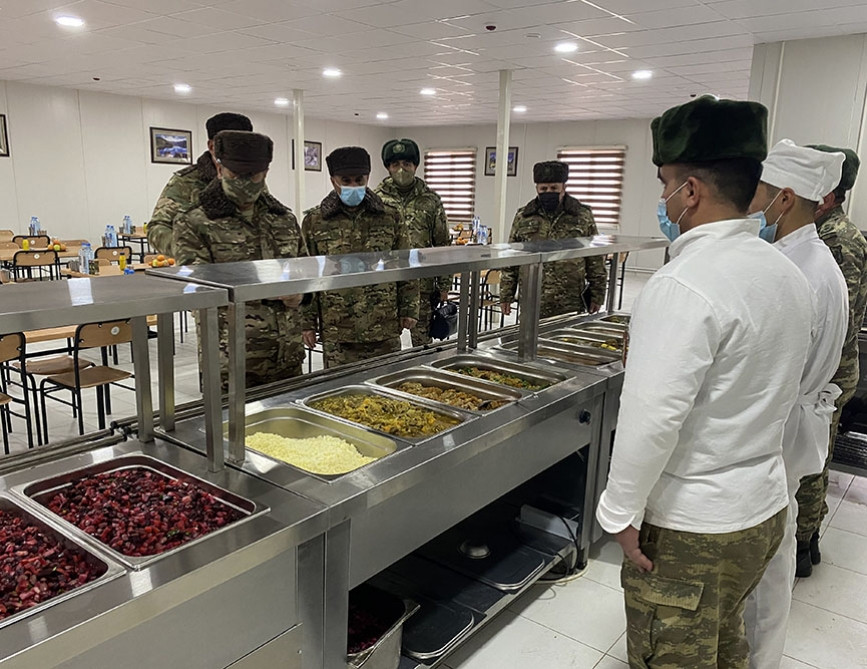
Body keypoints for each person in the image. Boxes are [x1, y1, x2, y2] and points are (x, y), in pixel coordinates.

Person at [595, 96, 813, 669]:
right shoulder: (785, 271)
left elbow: (651, 419)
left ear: (689, 190)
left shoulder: (682, 284)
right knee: (725, 642)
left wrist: (620, 514)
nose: (664, 198)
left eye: (665, 183)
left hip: (694, 525)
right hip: (762, 510)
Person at [742, 139, 847, 669]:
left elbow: (768, 369)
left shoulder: (800, 272)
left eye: (758, 190)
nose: (750, 200)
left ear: (784, 198)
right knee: (774, 547)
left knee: (766, 554)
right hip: (792, 422)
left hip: (779, 427)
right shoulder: (809, 258)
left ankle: (757, 657)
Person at [173, 130, 307, 389]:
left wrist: (300, 295)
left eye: (253, 175)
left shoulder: (283, 219)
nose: (244, 182)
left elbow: (305, 271)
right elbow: (198, 293)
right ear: (219, 169)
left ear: (265, 173)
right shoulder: (195, 222)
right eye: (236, 175)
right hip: (231, 360)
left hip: (286, 354)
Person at [794, 145, 867, 577]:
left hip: (828, 371)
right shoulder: (835, 232)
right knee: (815, 454)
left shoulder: (836, 239)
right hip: (831, 368)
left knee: (811, 458)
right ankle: (809, 538)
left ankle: (803, 544)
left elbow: (837, 317)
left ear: (825, 193)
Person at [301, 146, 419, 368]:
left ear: (368, 178)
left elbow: (405, 264)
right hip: (338, 328)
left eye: (359, 180)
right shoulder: (315, 221)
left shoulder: (390, 216)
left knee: (387, 383)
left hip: (383, 323)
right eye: (346, 180)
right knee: (340, 387)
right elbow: (307, 275)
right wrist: (307, 322)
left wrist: (409, 308)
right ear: (333, 180)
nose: (353, 186)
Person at [500, 161, 607, 319]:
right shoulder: (524, 216)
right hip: (532, 298)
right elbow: (512, 258)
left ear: (563, 187)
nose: (548, 192)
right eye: (543, 189)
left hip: (570, 299)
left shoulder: (581, 215)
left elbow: (595, 257)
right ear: (537, 188)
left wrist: (597, 294)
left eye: (554, 188)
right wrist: (506, 294)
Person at [374, 139, 450, 346]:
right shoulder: (376, 200)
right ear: (388, 167)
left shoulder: (431, 200)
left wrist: (444, 284)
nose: (401, 169)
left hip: (422, 284)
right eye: (395, 164)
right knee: (386, 344)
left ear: (415, 166)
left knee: (423, 344)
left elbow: (443, 244)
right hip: (386, 286)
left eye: (407, 164)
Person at [149, 112, 253, 255]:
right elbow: (157, 229)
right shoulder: (186, 181)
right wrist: (188, 249)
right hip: (203, 264)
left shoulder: (252, 178)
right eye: (230, 146)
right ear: (212, 146)